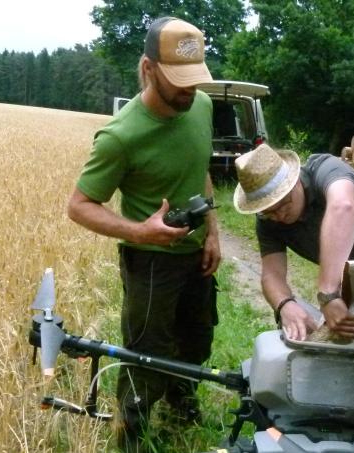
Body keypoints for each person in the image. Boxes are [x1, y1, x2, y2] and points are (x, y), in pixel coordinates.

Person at [67, 16, 221, 453]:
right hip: (151, 263)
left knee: (196, 338)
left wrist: (213, 233)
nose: (188, 91)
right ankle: (130, 434)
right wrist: (140, 232)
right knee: (145, 354)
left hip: (197, 255)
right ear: (149, 68)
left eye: (195, 80)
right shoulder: (121, 136)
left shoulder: (201, 106)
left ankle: (182, 406)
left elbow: (201, 169)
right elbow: (78, 206)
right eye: (179, 81)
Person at [232, 144, 354, 452]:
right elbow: (272, 275)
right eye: (267, 210)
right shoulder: (269, 221)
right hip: (345, 275)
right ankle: (338, 408)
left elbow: (342, 206)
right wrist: (285, 305)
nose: (277, 214)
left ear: (296, 182)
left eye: (281, 204)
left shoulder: (326, 169)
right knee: (333, 338)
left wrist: (328, 294)